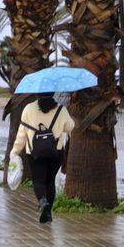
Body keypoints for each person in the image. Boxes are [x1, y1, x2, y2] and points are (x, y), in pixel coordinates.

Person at [8, 93, 76, 223]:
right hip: (55, 151)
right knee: (50, 181)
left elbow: (22, 134)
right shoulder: (61, 109)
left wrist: (15, 151)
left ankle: (43, 202)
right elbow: (70, 127)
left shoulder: (28, 108)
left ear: (38, 93)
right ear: (52, 93)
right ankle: (48, 213)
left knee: (38, 180)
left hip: (34, 153)